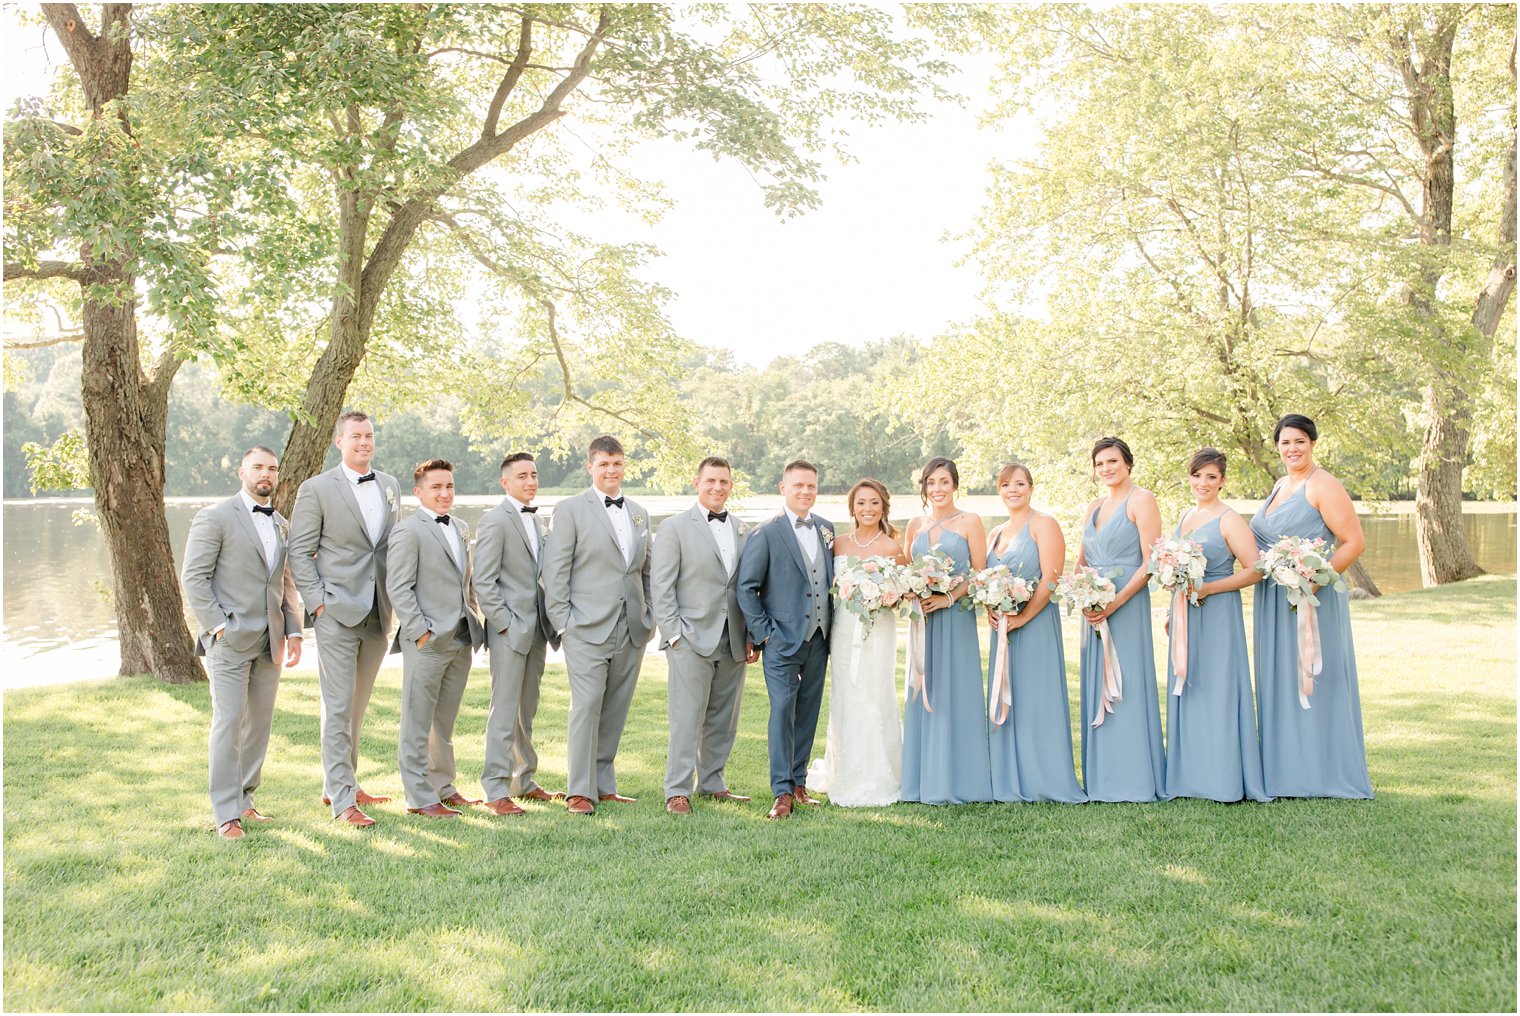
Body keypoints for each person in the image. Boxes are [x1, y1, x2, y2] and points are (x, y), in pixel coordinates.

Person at [180, 446, 304, 840]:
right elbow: (194, 578)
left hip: (272, 640)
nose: (265, 474)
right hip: (230, 641)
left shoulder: (281, 523)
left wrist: (295, 629)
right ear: (242, 473)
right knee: (229, 722)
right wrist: (218, 627)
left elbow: (284, 582)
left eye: (271, 468)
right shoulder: (214, 517)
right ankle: (226, 813)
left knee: (259, 726)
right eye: (257, 468)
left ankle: (246, 801)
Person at [287, 410, 402, 827]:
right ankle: (342, 800)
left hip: (378, 609)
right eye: (355, 437)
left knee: (357, 704)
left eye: (369, 435)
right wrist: (318, 604)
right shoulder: (316, 489)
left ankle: (343, 782)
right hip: (336, 609)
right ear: (340, 442)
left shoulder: (390, 486)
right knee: (337, 705)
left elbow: (390, 548)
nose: (364, 443)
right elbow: (298, 552)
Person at [1250, 414, 1373, 798]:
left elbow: (1353, 542)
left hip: (1312, 598)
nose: (1292, 449)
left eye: (1300, 441)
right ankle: (1284, 768)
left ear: (1313, 444)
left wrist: (1310, 581)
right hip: (1275, 596)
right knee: (1282, 677)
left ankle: (1320, 772)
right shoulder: (1280, 485)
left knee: (1315, 676)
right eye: (1285, 443)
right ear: (1277, 447)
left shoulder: (1324, 485)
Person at [541, 435, 653, 815]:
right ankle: (579, 789)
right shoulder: (570, 509)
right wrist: (564, 623)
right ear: (590, 467)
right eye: (604, 464)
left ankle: (604, 783)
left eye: (617, 463)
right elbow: (554, 571)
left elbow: (645, 568)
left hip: (631, 627)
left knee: (616, 707)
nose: (611, 470)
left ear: (624, 466)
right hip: (585, 628)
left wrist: (648, 614)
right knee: (586, 706)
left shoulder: (639, 512)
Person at [651, 456, 759, 816]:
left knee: (723, 717)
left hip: (734, 638)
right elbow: (661, 586)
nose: (717, 487)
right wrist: (675, 635)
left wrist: (750, 634)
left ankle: (712, 782)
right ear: (697, 484)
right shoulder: (674, 528)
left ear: (731, 486)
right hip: (690, 639)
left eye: (724, 481)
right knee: (686, 717)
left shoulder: (744, 530)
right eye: (710, 481)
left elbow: (747, 587)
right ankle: (677, 790)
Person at [1163, 448, 1271, 802]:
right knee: (1190, 687)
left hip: (1219, 612)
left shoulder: (1229, 519)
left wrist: (1208, 587)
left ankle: (1223, 779)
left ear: (1223, 481)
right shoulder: (1184, 515)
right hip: (1186, 614)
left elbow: (1255, 569)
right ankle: (1189, 777)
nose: (1203, 483)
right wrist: (1172, 608)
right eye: (1197, 475)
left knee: (1219, 691)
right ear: (1189, 478)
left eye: (1211, 476)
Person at [736, 460, 835, 820]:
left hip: (819, 637)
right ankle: (781, 791)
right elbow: (747, 588)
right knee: (782, 710)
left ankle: (798, 782)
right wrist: (764, 634)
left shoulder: (826, 528)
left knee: (808, 712)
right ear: (783, 488)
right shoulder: (766, 532)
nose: (805, 492)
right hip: (780, 639)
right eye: (798, 486)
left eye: (811, 486)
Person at [387, 459, 485, 819]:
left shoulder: (460, 527)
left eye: (449, 487)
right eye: (436, 488)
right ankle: (418, 797)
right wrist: (421, 631)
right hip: (427, 640)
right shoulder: (407, 532)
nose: (444, 494)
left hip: (460, 637)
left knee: (443, 721)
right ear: (418, 493)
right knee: (417, 720)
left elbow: (467, 582)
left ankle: (442, 785)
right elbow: (399, 585)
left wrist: (473, 616)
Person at [984, 462, 1085, 803]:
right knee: (1006, 698)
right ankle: (1007, 777)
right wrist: (989, 607)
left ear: (1031, 488)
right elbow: (985, 581)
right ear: (999, 490)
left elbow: (1051, 579)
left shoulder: (1044, 524)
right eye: (1005, 485)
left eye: (1020, 484)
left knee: (1036, 699)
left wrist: (1024, 617)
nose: (1012, 490)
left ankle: (1044, 778)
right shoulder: (995, 533)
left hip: (1035, 625)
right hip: (1002, 629)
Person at [472, 453, 563, 816]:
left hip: (538, 627)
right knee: (504, 709)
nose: (530, 482)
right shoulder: (495, 521)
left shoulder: (538, 520)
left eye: (534, 475)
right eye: (522, 476)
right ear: (505, 482)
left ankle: (523, 779)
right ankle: (495, 789)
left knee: (527, 707)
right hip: (510, 629)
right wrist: (506, 624)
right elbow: (484, 580)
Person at [807, 478, 907, 807]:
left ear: (883, 507)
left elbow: (904, 594)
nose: (868, 509)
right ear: (852, 507)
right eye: (861, 503)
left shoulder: (894, 548)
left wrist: (886, 598)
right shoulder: (837, 544)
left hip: (878, 630)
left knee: (876, 693)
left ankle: (883, 770)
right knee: (847, 694)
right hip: (844, 629)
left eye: (874, 503)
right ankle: (845, 768)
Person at [1076, 437, 1166, 802]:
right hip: (1092, 607)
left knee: (1126, 684)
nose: (1106, 468)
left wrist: (1114, 603)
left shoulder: (1142, 500)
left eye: (1112, 461)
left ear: (1128, 463)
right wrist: (1080, 593)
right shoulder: (1094, 506)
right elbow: (1081, 560)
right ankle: (1102, 778)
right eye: (1100, 464)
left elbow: (1151, 562)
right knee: (1098, 683)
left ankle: (1133, 777)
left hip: (1125, 604)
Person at [901, 457, 994, 804]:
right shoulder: (914, 524)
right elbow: (906, 569)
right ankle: (921, 779)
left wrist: (949, 597)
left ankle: (962, 779)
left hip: (955, 618)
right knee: (924, 690)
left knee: (957, 690)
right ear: (924, 487)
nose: (937, 489)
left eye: (943, 482)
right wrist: (911, 588)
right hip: (923, 619)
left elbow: (979, 574)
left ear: (955, 485)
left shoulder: (970, 521)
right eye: (931, 483)